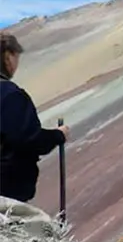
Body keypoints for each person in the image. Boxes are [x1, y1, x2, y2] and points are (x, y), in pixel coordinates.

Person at [0, 33, 70, 203]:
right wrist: (58, 135)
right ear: (8, 56)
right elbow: (29, 139)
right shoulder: (10, 95)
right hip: (6, 198)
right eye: (16, 57)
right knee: (40, 228)